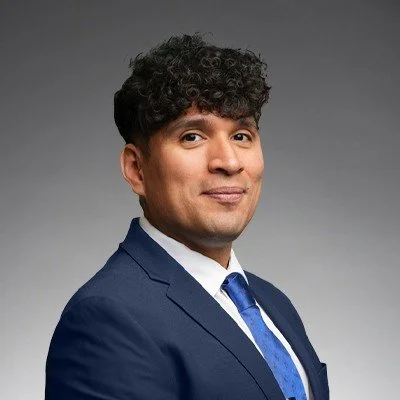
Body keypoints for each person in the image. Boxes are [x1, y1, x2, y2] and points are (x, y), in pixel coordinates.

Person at [45, 33, 329, 400]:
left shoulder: (273, 305)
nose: (229, 162)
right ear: (136, 169)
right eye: (192, 137)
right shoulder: (107, 320)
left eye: (242, 135)